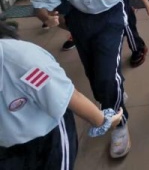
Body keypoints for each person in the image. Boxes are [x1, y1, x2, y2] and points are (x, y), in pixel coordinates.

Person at [31, 0, 149, 159]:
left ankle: (119, 124)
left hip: (110, 18)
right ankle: (112, 93)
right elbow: (39, 6)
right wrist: (46, 17)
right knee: (93, 73)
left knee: (106, 76)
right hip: (80, 20)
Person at [0, 22, 124, 169]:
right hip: (5, 145)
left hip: (48, 138)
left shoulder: (24, 62)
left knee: (105, 75)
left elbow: (68, 95)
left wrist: (103, 121)